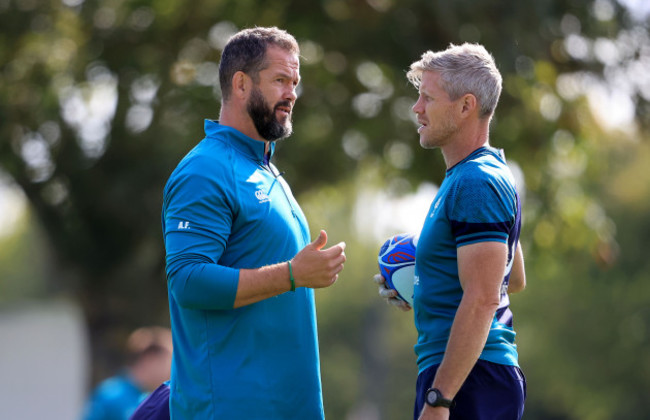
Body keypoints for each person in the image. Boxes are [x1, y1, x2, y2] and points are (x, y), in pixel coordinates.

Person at [160, 26, 346, 419]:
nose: (292, 93)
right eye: (280, 80)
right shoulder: (205, 170)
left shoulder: (266, 170)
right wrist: (293, 274)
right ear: (241, 84)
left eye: (294, 82)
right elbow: (188, 280)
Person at [374, 43, 527, 420]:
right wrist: (425, 284)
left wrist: (439, 399)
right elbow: (514, 278)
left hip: (468, 380)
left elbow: (483, 298)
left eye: (428, 97)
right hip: (466, 374)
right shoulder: (474, 175)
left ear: (465, 106)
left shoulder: (476, 181)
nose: (417, 108)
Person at [82, 327, 173, 420]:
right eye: (167, 362)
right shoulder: (110, 394)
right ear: (151, 359)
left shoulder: (148, 397)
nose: (170, 370)